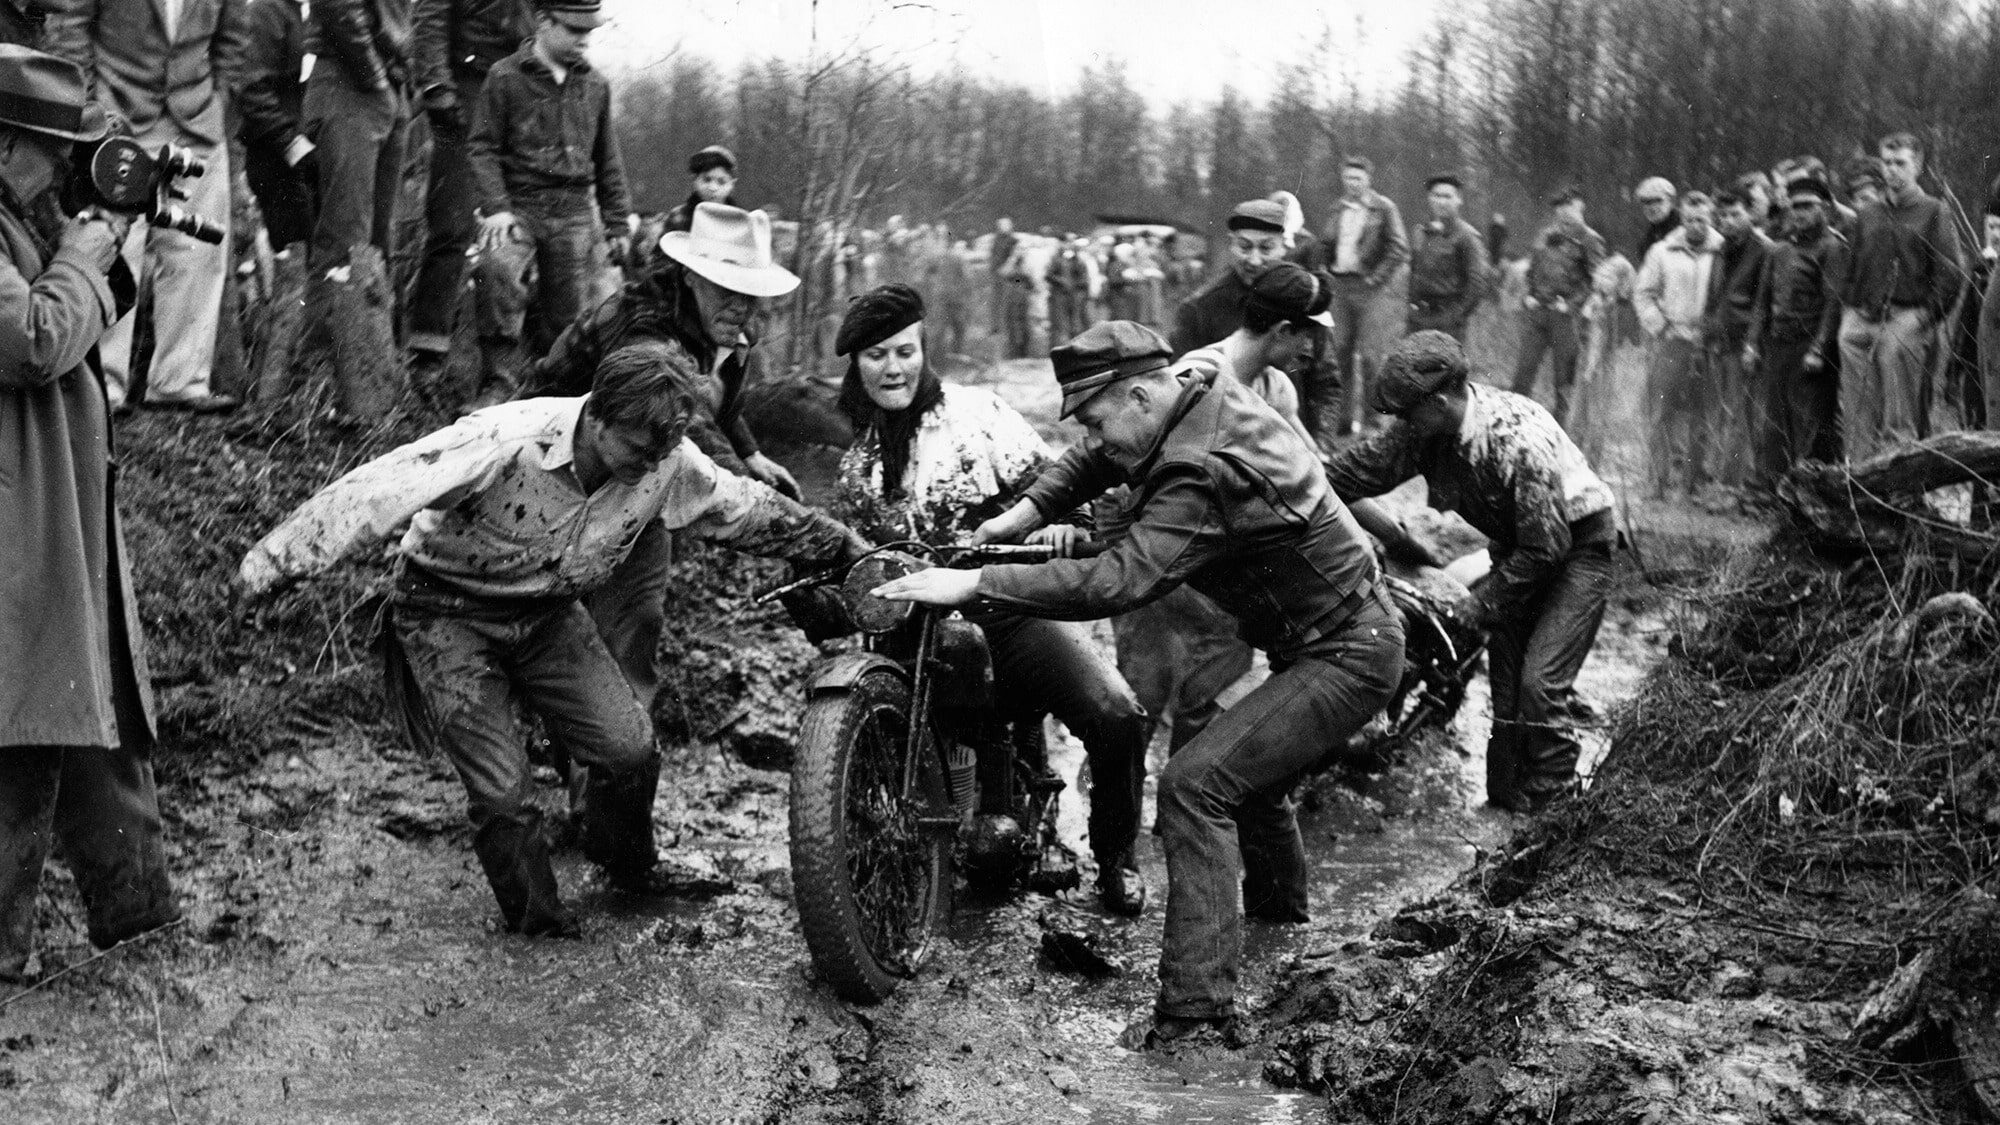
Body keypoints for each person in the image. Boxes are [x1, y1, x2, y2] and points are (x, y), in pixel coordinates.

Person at [871, 320, 1401, 1043]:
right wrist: (1023, 514)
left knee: (1195, 783)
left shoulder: (1195, 467)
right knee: (1255, 775)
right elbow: (1095, 455)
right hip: (1317, 636)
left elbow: (1120, 579)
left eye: (1097, 415)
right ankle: (1287, 942)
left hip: (1348, 649)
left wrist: (976, 580)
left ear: (1141, 392)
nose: (1097, 436)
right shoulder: (1191, 380)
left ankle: (1196, 1014)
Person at [239, 342, 868, 936]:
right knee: (503, 792)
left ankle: (624, 864)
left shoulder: (668, 460)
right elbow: (379, 489)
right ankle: (538, 922)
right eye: (637, 450)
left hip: (547, 612)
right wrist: (276, 562)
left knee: (629, 749)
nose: (649, 468)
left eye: (662, 454)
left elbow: (741, 509)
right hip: (444, 612)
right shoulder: (502, 441)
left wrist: (837, 543)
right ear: (595, 416)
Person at [825, 285, 1150, 915]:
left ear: (924, 351)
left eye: (904, 352)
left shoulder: (978, 415)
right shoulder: (855, 465)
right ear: (856, 366)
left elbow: (1057, 487)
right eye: (875, 357)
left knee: (1116, 714)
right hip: (910, 632)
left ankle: (1117, 859)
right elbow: (854, 557)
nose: (892, 369)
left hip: (1000, 606)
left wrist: (1061, 526)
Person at [0, 43, 179, 981]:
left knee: (96, 712)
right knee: (19, 729)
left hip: (61, 516)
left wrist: (104, 245)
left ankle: (142, 929)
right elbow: (31, 341)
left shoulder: (23, 220)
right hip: (18, 529)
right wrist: (81, 250)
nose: (61, 165)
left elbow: (84, 317)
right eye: (46, 146)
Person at [516, 200, 802, 731]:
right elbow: (682, 420)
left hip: (637, 471)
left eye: (751, 295)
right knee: (560, 617)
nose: (741, 307)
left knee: (635, 619)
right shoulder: (642, 322)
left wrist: (752, 453)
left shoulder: (729, 325)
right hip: (553, 467)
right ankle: (563, 727)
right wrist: (752, 500)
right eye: (727, 290)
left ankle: (608, 776)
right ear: (691, 277)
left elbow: (721, 402)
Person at [1325, 331, 1616, 813]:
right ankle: (1505, 806)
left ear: (1438, 402)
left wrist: (1480, 603)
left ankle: (1556, 811)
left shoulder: (1517, 439)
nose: (1400, 423)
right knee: (1505, 696)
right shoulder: (1424, 429)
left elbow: (1548, 548)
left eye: (1407, 413)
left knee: (1539, 685)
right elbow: (1347, 475)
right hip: (1518, 548)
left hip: (1578, 549)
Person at [46, 0, 243, 414]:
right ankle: (103, 386)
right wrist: (89, 110)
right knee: (114, 246)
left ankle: (181, 381)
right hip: (118, 114)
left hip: (197, 116)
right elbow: (72, 27)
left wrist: (218, 100)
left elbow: (233, 39)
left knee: (198, 251)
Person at [466, 0, 629, 400]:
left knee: (568, 316)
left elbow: (608, 159)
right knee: (496, 267)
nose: (583, 40)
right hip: (519, 206)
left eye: (588, 31)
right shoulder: (504, 77)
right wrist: (497, 208)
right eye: (574, 30)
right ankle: (497, 383)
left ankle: (551, 396)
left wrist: (618, 222)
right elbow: (481, 148)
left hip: (573, 211)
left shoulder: (595, 86)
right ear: (543, 22)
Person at [405, 0, 534, 363]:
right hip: (469, 83)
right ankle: (428, 345)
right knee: (451, 222)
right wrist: (436, 87)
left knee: (523, 226)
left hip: (523, 85)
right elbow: (430, 17)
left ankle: (510, 361)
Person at [1832, 132, 1965, 459]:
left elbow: (1951, 275)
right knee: (1857, 415)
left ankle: (1896, 493)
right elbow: (1852, 267)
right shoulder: (1869, 214)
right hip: (1863, 320)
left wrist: (1922, 318)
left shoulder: (1934, 211)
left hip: (1906, 319)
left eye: (1900, 163)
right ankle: (1858, 488)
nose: (1892, 170)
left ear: (1917, 166)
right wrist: (1850, 312)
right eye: (1887, 163)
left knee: (1898, 420)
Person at [297, 0, 411, 270]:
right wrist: (375, 78)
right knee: (346, 247)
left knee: (376, 247)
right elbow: (338, 7)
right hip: (350, 79)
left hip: (385, 81)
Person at [1745, 178, 1846, 472]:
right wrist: (1752, 344)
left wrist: (1818, 349)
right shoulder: (1778, 251)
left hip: (1811, 347)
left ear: (1824, 207)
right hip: (1779, 345)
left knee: (1812, 422)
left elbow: (1833, 302)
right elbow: (1762, 304)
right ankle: (1774, 489)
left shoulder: (1832, 248)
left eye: (1808, 206)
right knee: (1776, 420)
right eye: (1795, 207)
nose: (1800, 213)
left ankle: (1811, 490)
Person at [1634, 191, 1723, 497]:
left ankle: (1695, 481)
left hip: (1707, 344)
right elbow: (1643, 293)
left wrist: (1712, 333)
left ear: (1711, 219)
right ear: (1681, 219)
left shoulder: (1721, 250)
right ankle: (1657, 481)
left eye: (1702, 220)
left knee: (1702, 414)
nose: (1695, 226)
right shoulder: (1662, 251)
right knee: (1661, 412)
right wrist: (1660, 326)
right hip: (1672, 340)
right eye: (1689, 220)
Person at [1318, 155, 1410, 443]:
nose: (1353, 183)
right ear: (1342, 179)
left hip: (1370, 290)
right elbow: (1324, 244)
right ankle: (1344, 420)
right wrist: (1324, 270)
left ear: (1368, 180)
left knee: (1371, 358)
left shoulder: (1383, 208)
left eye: (1358, 178)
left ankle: (1372, 422)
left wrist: (1376, 278)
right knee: (1339, 353)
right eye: (1348, 178)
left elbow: (1398, 247)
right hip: (1340, 289)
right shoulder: (1337, 208)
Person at [1511, 186, 1606, 421]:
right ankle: (1516, 424)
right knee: (1523, 374)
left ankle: (1560, 435)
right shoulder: (1546, 235)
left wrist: (1572, 305)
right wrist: (1529, 296)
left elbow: (1596, 282)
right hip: (1539, 314)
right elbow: (1532, 269)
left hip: (1567, 320)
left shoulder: (1590, 240)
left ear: (1580, 207)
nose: (1564, 212)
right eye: (1559, 207)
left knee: (1563, 383)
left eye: (1569, 206)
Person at [1706, 189, 1774, 488]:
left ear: (1750, 213)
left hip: (1746, 342)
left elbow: (1764, 302)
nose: (1728, 221)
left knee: (1743, 414)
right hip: (1720, 340)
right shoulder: (1722, 248)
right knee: (1725, 411)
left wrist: (1753, 344)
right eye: (1722, 216)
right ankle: (1727, 478)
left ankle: (1735, 484)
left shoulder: (1764, 250)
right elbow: (1714, 296)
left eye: (1735, 214)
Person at [237, 0, 316, 250]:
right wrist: (291, 142)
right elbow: (251, 90)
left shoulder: (312, 10)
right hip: (275, 155)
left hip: (307, 153)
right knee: (293, 253)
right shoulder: (266, 10)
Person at [1406, 172, 1491, 340]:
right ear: (1429, 198)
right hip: (1417, 318)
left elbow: (1477, 284)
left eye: (1447, 196)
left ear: (1458, 200)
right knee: (1410, 364)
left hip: (1447, 322)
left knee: (1443, 366)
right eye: (1436, 196)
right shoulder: (1421, 232)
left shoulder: (1467, 237)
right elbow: (1414, 272)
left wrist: (1455, 316)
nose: (1441, 202)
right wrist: (1411, 306)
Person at [663, 144, 738, 234]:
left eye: (721, 181)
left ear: (732, 184)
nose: (713, 188)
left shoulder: (741, 221)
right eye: (707, 180)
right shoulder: (678, 218)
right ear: (695, 179)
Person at [1633, 176, 1679, 265]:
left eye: (1658, 201)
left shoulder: (1686, 230)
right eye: (1647, 202)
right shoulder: (1647, 241)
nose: (1652, 208)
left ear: (1672, 202)